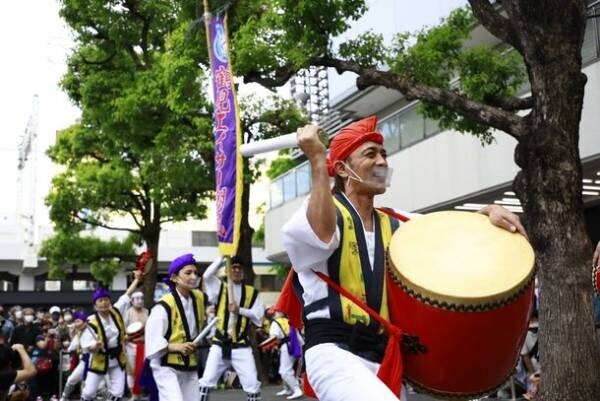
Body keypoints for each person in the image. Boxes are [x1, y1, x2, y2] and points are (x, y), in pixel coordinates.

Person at [280, 117, 527, 401]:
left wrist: (487, 213)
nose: (383, 162)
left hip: (386, 356)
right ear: (341, 169)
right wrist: (317, 160)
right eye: (370, 154)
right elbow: (321, 233)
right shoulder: (319, 212)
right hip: (333, 352)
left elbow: (453, 232)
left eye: (384, 154)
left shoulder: (400, 224)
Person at [199, 257, 265, 401]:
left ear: (243, 272)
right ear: (228, 270)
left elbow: (259, 318)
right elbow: (206, 275)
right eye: (233, 267)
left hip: (241, 345)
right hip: (219, 344)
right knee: (205, 382)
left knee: (252, 385)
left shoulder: (252, 293)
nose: (236, 270)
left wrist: (240, 310)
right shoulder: (221, 287)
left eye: (239, 268)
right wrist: (223, 257)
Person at [144, 254, 208, 401]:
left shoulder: (197, 299)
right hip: (165, 364)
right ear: (174, 278)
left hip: (188, 362)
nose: (193, 277)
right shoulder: (163, 306)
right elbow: (152, 340)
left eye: (195, 273)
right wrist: (177, 347)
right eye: (188, 273)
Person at [79, 270, 143, 401]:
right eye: (100, 301)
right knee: (89, 392)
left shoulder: (116, 311)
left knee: (118, 393)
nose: (104, 303)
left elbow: (127, 295)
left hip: (117, 359)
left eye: (106, 300)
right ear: (95, 305)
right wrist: (94, 346)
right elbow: (86, 346)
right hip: (99, 360)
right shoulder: (92, 322)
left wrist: (136, 280)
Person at [268, 312, 303, 400]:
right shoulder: (289, 321)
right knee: (286, 368)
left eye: (275, 312)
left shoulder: (275, 322)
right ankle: (287, 389)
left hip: (286, 348)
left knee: (285, 371)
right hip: (295, 346)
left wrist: (265, 345)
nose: (273, 314)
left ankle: (296, 389)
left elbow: (273, 337)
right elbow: (299, 338)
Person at [124, 291, 148, 400]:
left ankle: (141, 392)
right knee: (131, 370)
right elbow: (124, 330)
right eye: (136, 299)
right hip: (130, 345)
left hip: (144, 345)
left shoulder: (147, 312)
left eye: (141, 298)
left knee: (142, 369)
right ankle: (133, 393)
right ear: (132, 301)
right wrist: (126, 338)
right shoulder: (128, 312)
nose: (139, 301)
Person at [60, 311, 88, 401]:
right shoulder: (79, 333)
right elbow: (72, 346)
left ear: (85, 322)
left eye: (78, 321)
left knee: (97, 386)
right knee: (72, 379)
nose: (76, 323)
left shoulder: (90, 331)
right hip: (84, 361)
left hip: (96, 361)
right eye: (75, 321)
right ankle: (64, 398)